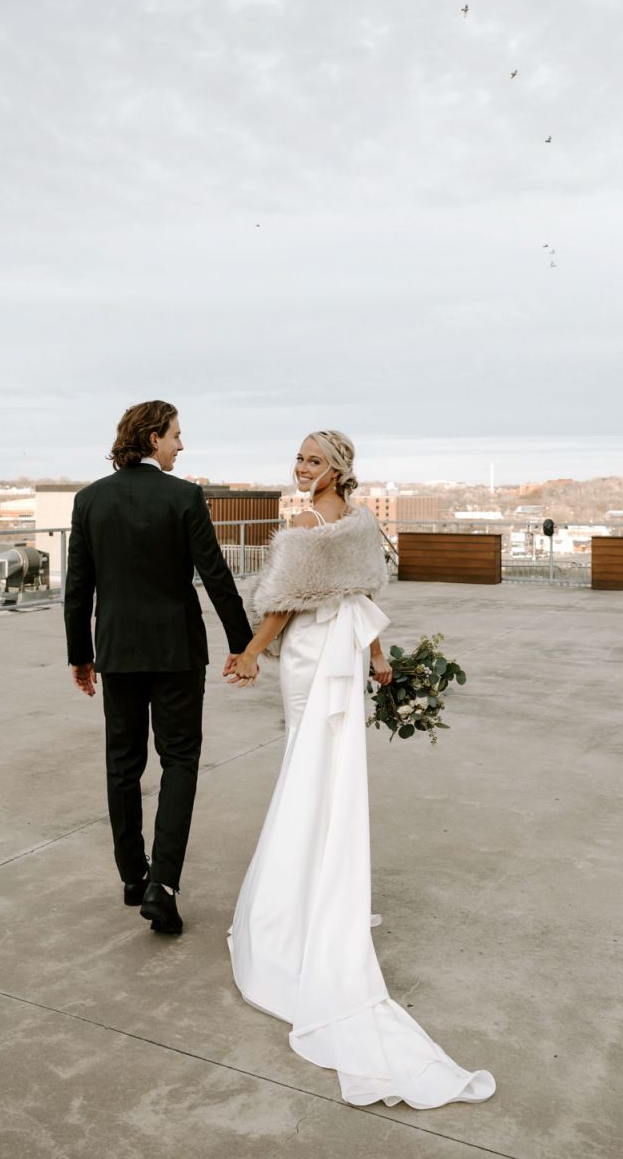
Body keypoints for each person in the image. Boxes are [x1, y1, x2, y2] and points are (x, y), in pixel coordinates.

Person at [225, 430, 496, 1109]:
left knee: (305, 767)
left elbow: (284, 604)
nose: (301, 467)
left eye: (313, 460)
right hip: (342, 655)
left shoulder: (305, 525)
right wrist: (377, 660)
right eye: (298, 458)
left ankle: (303, 892)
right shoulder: (361, 523)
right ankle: (325, 877)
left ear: (338, 468)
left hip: (317, 654)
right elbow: (362, 593)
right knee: (328, 770)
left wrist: (252, 653)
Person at [64, 400, 253, 936]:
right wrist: (243, 645)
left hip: (118, 652)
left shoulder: (90, 500)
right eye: (175, 435)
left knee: (122, 763)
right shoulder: (184, 496)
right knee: (180, 762)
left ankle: (131, 876)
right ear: (152, 439)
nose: (180, 444)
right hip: (175, 653)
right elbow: (216, 576)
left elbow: (77, 589)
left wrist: (80, 654)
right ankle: (162, 886)